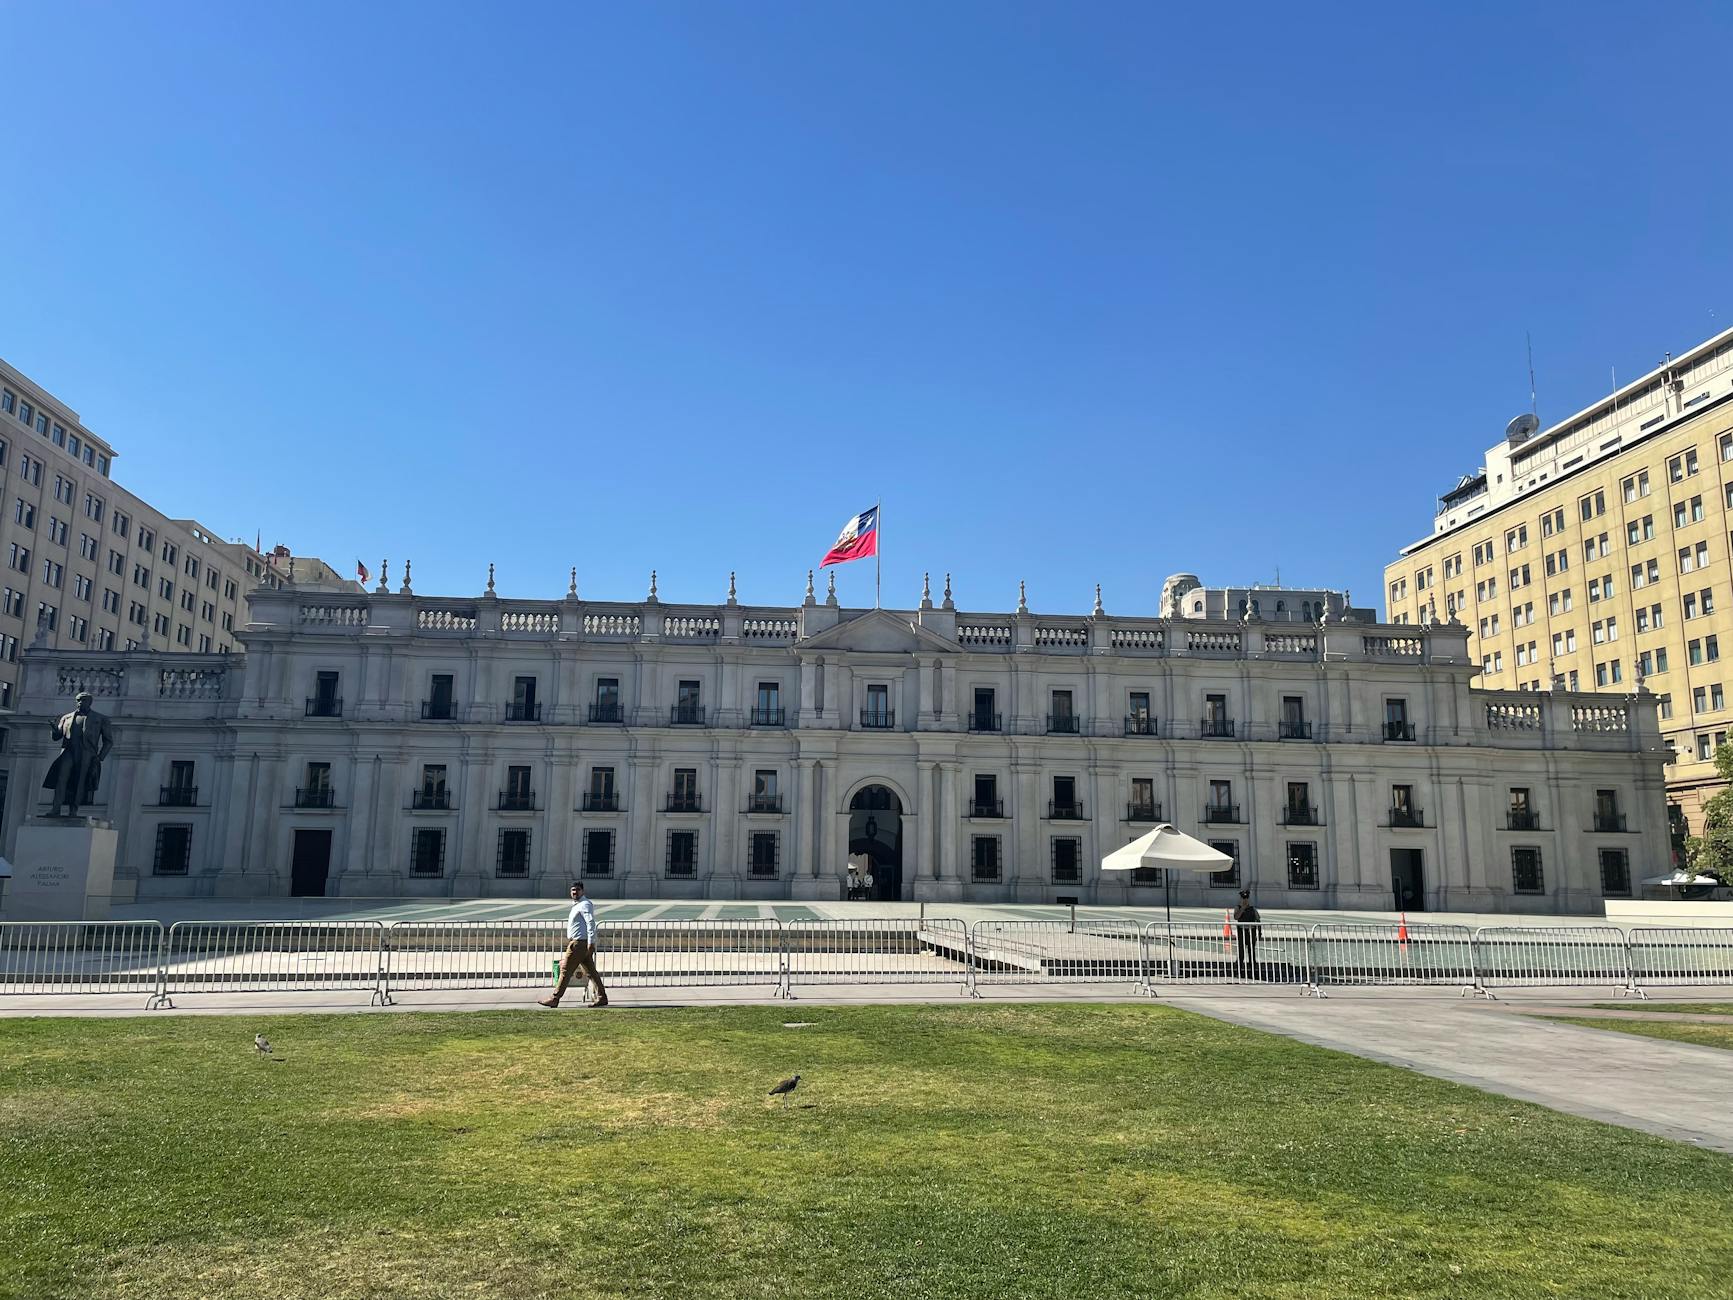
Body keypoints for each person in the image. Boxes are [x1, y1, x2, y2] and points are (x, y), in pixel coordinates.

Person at [42, 691, 115, 816]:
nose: (80, 702)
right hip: (68, 751)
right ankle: (56, 808)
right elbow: (57, 737)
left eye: (83, 700)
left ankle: (73, 810)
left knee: (79, 781)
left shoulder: (100, 719)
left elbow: (108, 741)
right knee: (61, 779)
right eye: (78, 700)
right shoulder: (66, 717)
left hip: (87, 753)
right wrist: (54, 729)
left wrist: (99, 757)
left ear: (90, 702)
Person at [539, 881, 608, 1008]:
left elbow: (590, 923)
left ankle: (555, 998)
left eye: (577, 890)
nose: (575, 892)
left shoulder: (585, 904)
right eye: (573, 890)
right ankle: (602, 997)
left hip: (578, 944)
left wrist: (591, 942)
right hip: (579, 943)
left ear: (582, 891)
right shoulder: (577, 905)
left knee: (565, 970)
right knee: (591, 972)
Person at [1233, 889, 1261, 978]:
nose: (1245, 900)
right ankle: (1238, 971)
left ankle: (1253, 972)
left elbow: (1258, 920)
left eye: (1246, 898)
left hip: (1251, 932)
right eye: (1243, 898)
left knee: (1251, 953)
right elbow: (1236, 917)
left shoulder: (1252, 909)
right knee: (1241, 953)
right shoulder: (1238, 908)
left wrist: (1259, 932)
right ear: (1241, 898)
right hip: (1242, 932)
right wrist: (1242, 908)